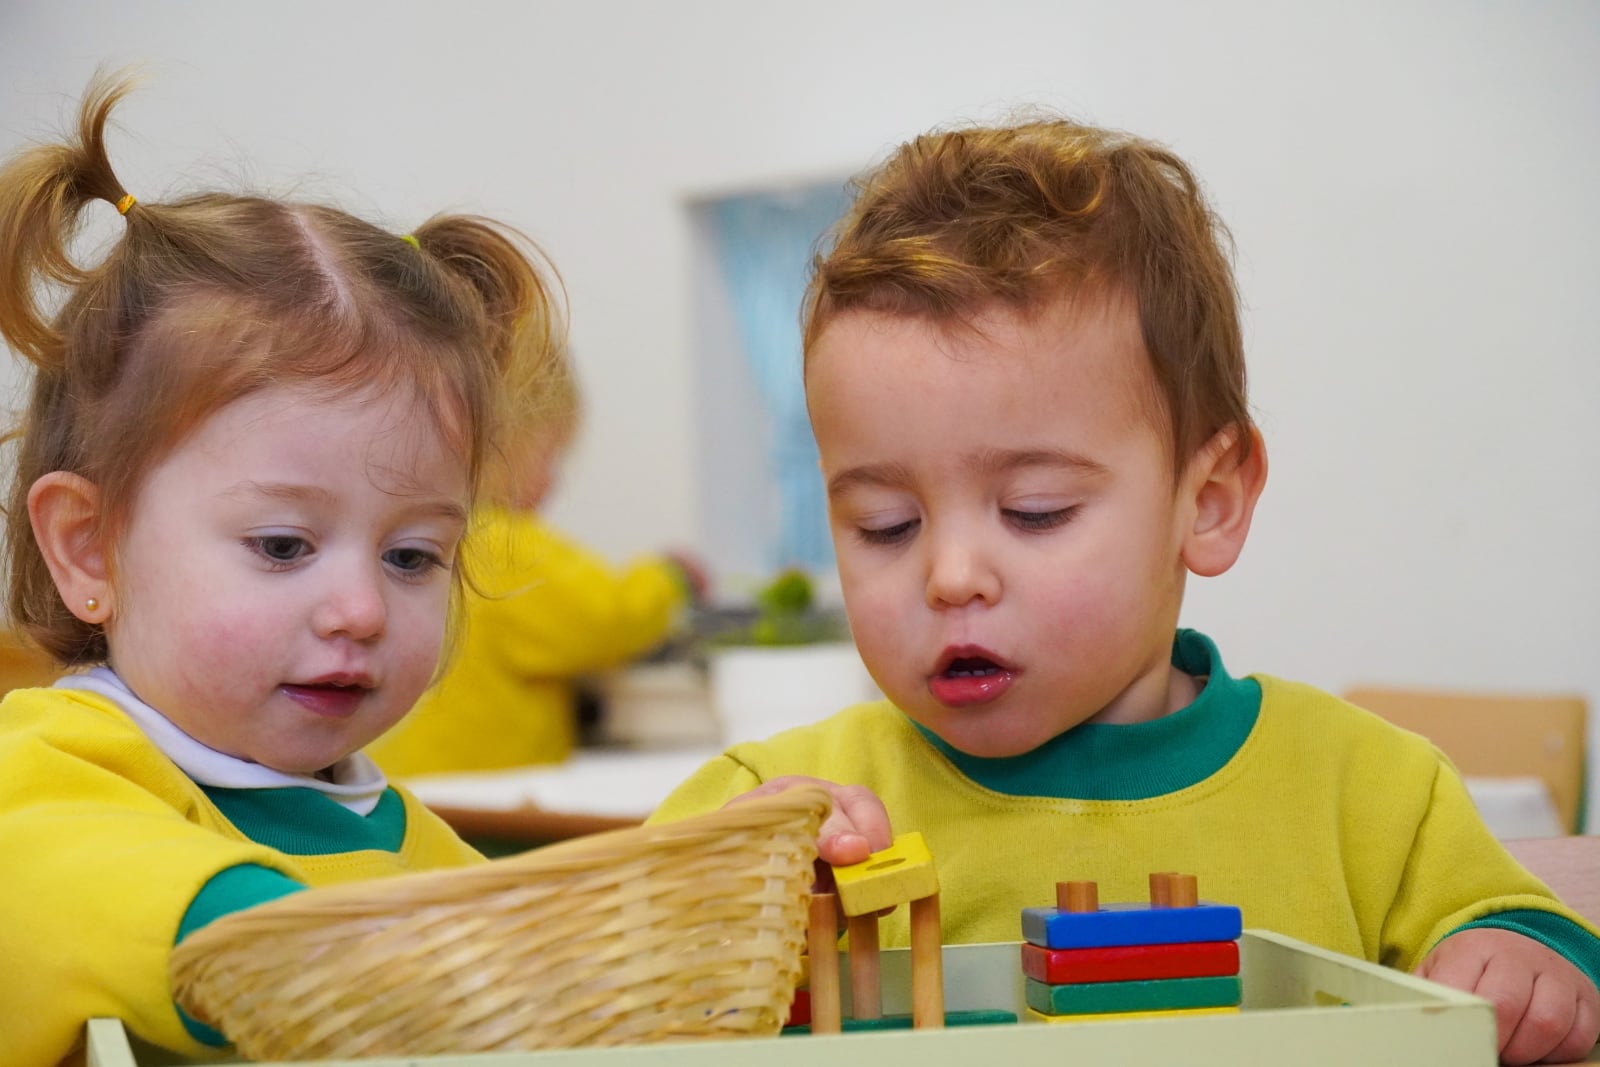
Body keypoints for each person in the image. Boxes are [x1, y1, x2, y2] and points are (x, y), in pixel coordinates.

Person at [649, 116, 1600, 1064]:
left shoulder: (1370, 792)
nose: (949, 576)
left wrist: (1521, 959)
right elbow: (597, 973)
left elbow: (1528, 933)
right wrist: (729, 882)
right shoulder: (780, 805)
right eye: (884, 525)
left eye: (1036, 510)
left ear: (1210, 501)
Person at [0, 73, 564, 1065]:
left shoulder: (394, 830)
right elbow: (80, 881)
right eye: (282, 545)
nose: (358, 608)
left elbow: (540, 978)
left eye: (410, 555)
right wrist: (321, 948)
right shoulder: (50, 770)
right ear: (89, 547)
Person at [368, 351, 705, 776]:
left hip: (410, 783)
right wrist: (669, 577)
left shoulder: (416, 537)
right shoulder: (503, 544)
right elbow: (604, 617)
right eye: (549, 456)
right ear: (503, 446)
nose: (553, 480)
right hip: (492, 796)